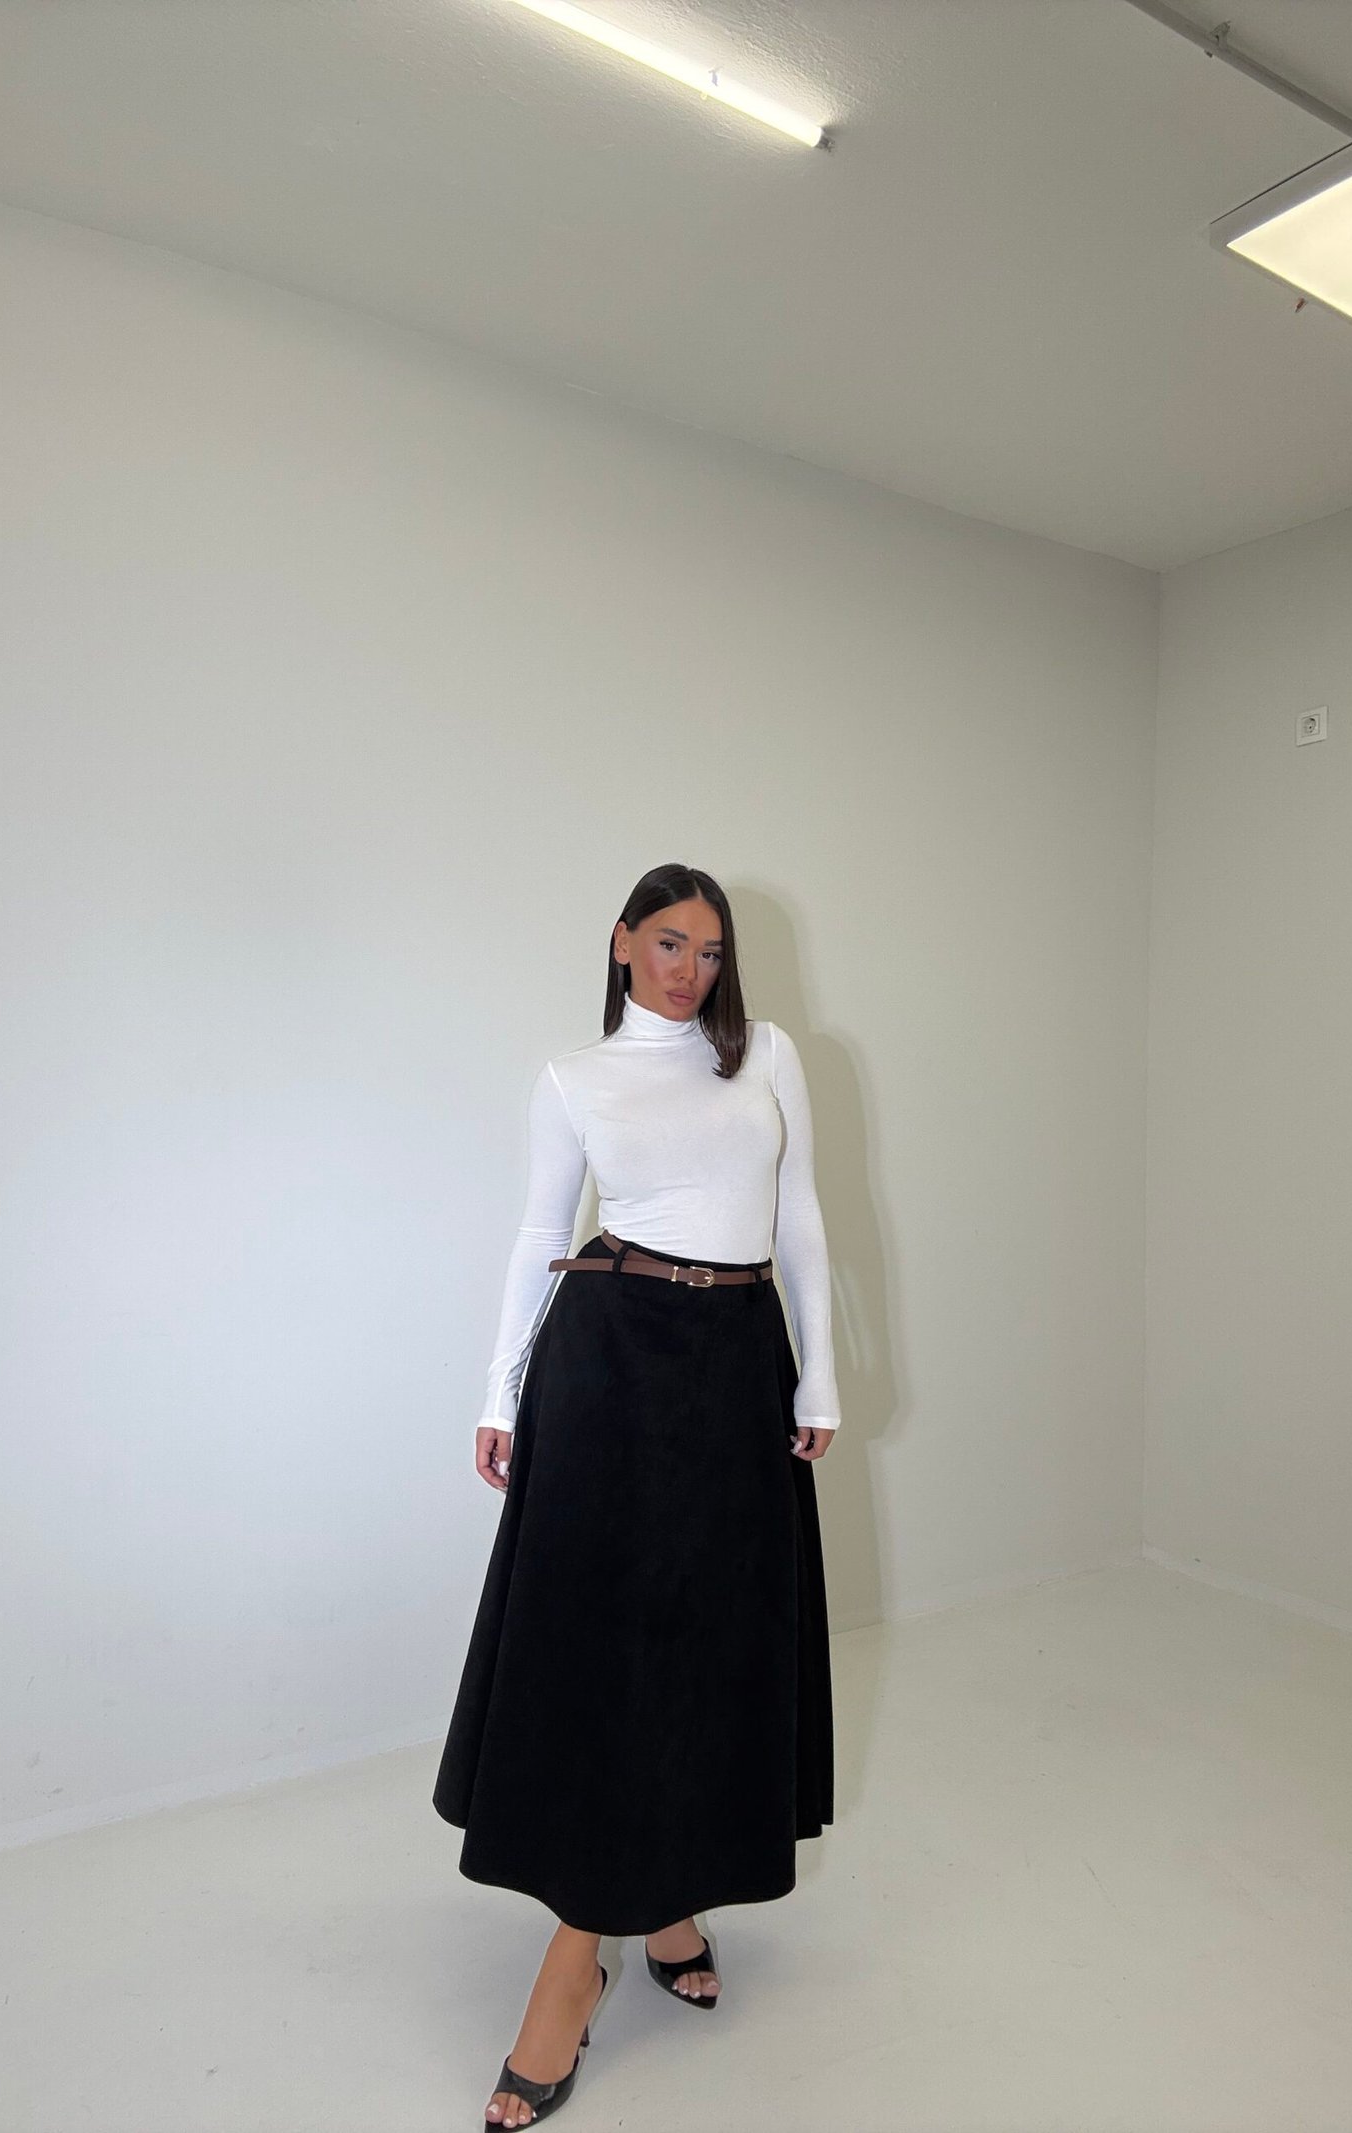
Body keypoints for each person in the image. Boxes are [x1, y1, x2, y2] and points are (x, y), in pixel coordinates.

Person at [432, 861, 840, 2130]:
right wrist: (500, 1394)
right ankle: (575, 1961)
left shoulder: (765, 1054)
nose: (688, 970)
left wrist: (819, 1374)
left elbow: (801, 1214)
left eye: (709, 951)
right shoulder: (574, 1079)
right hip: (610, 1361)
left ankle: (668, 1901)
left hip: (736, 1363)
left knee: (711, 1642)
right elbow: (536, 1233)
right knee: (610, 1655)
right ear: (622, 943)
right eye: (668, 944)